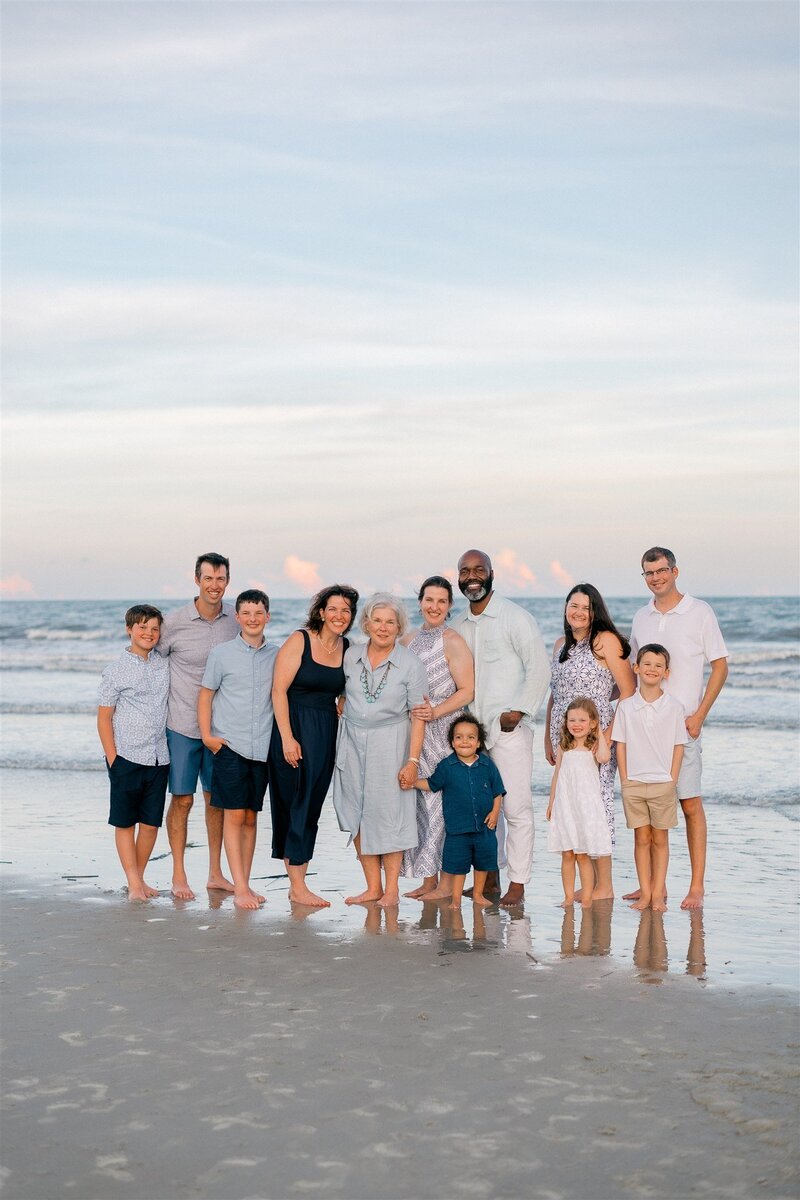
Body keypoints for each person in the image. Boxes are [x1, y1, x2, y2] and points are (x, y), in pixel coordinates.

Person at [629, 547, 729, 909]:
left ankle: (697, 885)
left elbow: (720, 666)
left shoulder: (699, 612)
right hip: (644, 729)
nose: (655, 577)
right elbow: (633, 669)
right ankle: (654, 887)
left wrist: (700, 714)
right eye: (648, 573)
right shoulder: (641, 616)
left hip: (683, 727)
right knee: (650, 811)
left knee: (689, 805)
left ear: (675, 571)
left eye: (661, 570)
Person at [452, 549, 549, 907]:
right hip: (472, 738)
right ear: (458, 577)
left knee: (516, 809)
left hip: (508, 730)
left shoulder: (515, 617)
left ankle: (518, 883)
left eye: (479, 569)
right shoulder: (458, 625)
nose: (472, 576)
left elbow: (538, 668)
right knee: (481, 809)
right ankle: (489, 878)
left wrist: (518, 712)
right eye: (465, 570)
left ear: (492, 573)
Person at [333, 593, 427, 908]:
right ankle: (372, 886)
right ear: (367, 623)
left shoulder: (411, 663)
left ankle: (391, 890)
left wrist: (412, 761)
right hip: (352, 742)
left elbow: (418, 715)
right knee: (356, 811)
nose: (383, 628)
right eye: (377, 620)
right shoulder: (350, 656)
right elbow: (339, 692)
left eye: (390, 622)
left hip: (393, 743)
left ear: (399, 627)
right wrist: (340, 703)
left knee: (391, 814)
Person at [268, 584, 359, 908]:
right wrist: (288, 738)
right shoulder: (300, 640)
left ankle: (299, 883)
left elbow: (351, 684)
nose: (339, 615)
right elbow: (278, 691)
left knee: (311, 805)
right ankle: (297, 885)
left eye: (346, 610)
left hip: (325, 731)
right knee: (291, 802)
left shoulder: (348, 648)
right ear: (321, 611)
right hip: (291, 728)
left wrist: (345, 699)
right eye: (333, 608)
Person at [544, 584, 635, 900]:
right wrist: (549, 738)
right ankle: (588, 882)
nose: (578, 612)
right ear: (566, 608)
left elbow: (627, 692)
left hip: (596, 738)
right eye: (573, 605)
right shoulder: (559, 645)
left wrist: (606, 740)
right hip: (565, 738)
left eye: (584, 606)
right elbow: (554, 696)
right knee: (571, 807)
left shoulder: (605, 641)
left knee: (597, 807)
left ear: (594, 610)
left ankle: (604, 886)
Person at [159, 553, 238, 900]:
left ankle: (215, 873)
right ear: (196, 580)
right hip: (180, 725)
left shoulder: (236, 619)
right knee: (182, 800)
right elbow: (147, 658)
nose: (215, 585)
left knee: (215, 800)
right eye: (208, 578)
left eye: (220, 579)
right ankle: (178, 874)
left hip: (221, 728)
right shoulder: (174, 622)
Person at [198, 590, 278, 910]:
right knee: (233, 815)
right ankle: (241, 887)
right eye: (246, 613)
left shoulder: (278, 654)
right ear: (237, 617)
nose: (252, 618)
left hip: (263, 746)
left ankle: (246, 881)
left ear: (267, 616)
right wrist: (207, 736)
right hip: (230, 745)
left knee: (250, 817)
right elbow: (206, 695)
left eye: (258, 613)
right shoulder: (222, 654)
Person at [400, 575, 474, 900]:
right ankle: (428, 880)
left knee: (443, 804)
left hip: (444, 732)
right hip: (415, 731)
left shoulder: (453, 640)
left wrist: (437, 711)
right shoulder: (409, 639)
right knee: (421, 803)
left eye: (441, 601)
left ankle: (446, 884)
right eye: (429, 600)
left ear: (449, 606)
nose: (434, 606)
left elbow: (468, 690)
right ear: (419, 603)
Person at [97, 604, 170, 901]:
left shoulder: (163, 664)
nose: (148, 633)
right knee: (125, 822)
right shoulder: (115, 670)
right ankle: (134, 882)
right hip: (126, 757)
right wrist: (114, 759)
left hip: (159, 756)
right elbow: (104, 717)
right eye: (142, 627)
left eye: (154, 628)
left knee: (151, 824)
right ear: (129, 629)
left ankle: (137, 880)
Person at [613, 643, 688, 913]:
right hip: (633, 782)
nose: (652, 669)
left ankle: (658, 894)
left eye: (658, 665)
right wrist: (624, 779)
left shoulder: (674, 707)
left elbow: (679, 745)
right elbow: (620, 744)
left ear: (666, 672)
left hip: (662, 783)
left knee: (660, 840)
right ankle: (644, 894)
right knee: (641, 839)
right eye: (647, 664)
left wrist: (672, 779)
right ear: (636, 668)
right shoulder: (626, 707)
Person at [410, 714, 504, 910]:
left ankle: (478, 895)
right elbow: (432, 784)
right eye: (459, 737)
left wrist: (495, 812)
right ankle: (456, 900)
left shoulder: (487, 765)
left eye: (471, 737)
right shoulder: (447, 766)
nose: (465, 741)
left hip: (485, 828)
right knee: (457, 866)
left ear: (478, 742)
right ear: (452, 741)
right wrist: (412, 782)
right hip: (457, 829)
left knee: (482, 864)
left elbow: (498, 791)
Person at [546, 697, 612, 909]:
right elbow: (557, 774)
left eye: (582, 720)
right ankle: (567, 897)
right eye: (571, 719)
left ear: (592, 723)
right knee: (567, 853)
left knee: (582, 854)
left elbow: (604, 758)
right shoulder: (565, 745)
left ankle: (586, 898)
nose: (576, 724)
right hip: (566, 804)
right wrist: (551, 802)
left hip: (585, 806)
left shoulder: (593, 746)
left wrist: (600, 732)